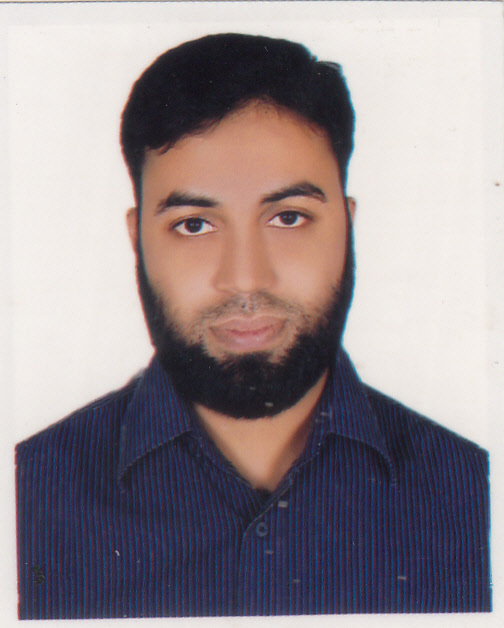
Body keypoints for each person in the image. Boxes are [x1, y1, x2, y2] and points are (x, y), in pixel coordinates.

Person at [15, 33, 491, 619]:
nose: (244, 279)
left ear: (347, 225)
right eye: (194, 224)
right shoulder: (26, 494)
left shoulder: (475, 494)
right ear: (137, 239)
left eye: (288, 217)